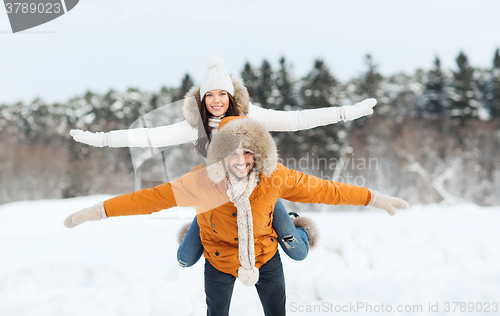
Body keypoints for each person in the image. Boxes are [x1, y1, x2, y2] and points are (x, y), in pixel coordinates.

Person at [64, 116, 409, 316]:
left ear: (258, 153)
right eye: (232, 153)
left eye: (248, 152)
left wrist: (374, 198)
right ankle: (196, 230)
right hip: (218, 258)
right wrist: (98, 211)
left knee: (277, 311)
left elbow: (327, 190)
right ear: (219, 155)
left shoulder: (276, 177)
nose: (241, 160)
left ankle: (286, 221)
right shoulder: (200, 182)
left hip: (265, 254)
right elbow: (149, 199)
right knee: (210, 302)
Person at [69, 55, 378, 267]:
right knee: (185, 258)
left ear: (231, 96)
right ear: (202, 100)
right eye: (209, 96)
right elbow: (149, 136)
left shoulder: (250, 116)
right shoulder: (196, 126)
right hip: (215, 195)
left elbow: (297, 119)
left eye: (222, 94)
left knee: (298, 253)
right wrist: (102, 139)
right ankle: (206, 225)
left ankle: (287, 221)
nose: (216, 101)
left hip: (257, 192)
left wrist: (346, 112)